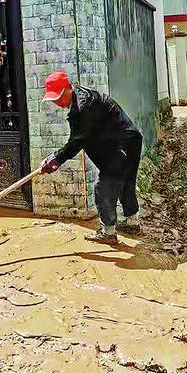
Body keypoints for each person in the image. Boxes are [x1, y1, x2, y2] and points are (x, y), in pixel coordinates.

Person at [39, 71, 143, 245]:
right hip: (125, 141)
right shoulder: (80, 99)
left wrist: (55, 159)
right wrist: (55, 159)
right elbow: (82, 137)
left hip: (122, 145)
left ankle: (108, 233)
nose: (58, 102)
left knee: (104, 188)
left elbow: (77, 141)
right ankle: (133, 222)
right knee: (124, 181)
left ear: (68, 88)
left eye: (59, 97)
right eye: (54, 99)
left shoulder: (83, 107)